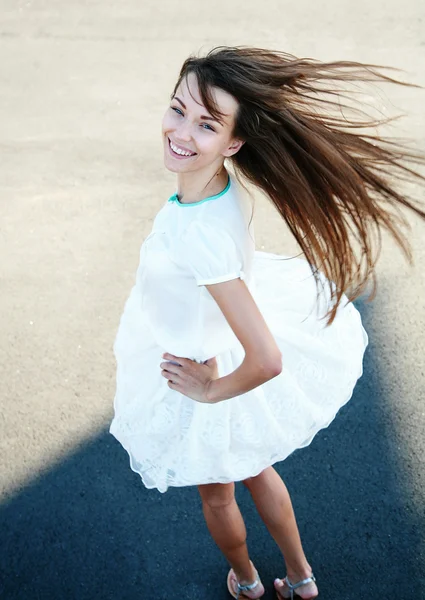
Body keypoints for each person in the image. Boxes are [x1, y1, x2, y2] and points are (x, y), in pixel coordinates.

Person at [109, 46, 425, 599]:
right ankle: (302, 579)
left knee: (218, 496)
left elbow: (268, 359)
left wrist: (210, 393)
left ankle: (249, 582)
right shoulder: (220, 184)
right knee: (258, 469)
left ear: (233, 142)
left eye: (206, 125)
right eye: (178, 109)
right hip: (219, 342)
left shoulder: (196, 235)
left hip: (206, 363)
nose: (180, 131)